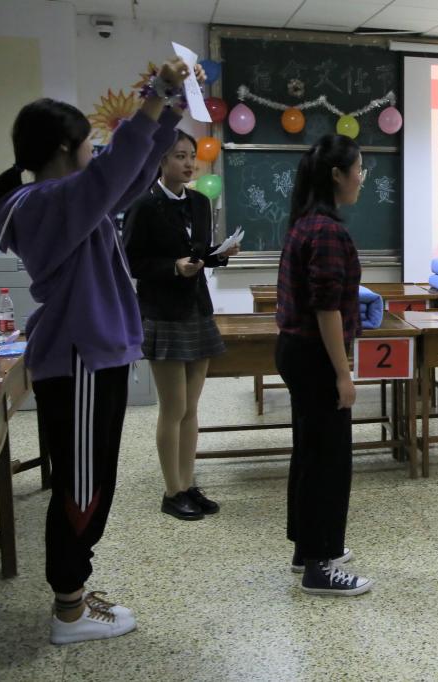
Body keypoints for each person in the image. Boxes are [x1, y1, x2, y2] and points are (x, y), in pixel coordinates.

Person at [0, 57, 204, 644]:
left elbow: (129, 175)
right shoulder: (45, 203)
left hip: (95, 354)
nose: (94, 152)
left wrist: (171, 109)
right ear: (64, 147)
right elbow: (113, 171)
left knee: (94, 479)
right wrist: (156, 94)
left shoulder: (68, 199)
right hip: (79, 356)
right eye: (87, 143)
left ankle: (74, 592)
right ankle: (69, 609)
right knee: (81, 486)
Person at [124, 131, 239, 520]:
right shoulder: (144, 204)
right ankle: (171, 491)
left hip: (197, 309)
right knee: (173, 407)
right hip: (164, 312)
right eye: (179, 156)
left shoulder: (200, 202)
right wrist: (172, 267)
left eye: (192, 156)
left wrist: (220, 255)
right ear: (161, 161)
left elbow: (199, 254)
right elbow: (132, 262)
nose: (189, 163)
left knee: (191, 407)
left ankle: (188, 485)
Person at [275, 134, 371, 596]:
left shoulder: (305, 223)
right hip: (315, 356)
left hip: (298, 351)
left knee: (310, 453)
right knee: (328, 460)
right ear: (337, 175)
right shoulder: (328, 231)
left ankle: (307, 550)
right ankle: (320, 565)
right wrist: (343, 373)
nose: (361, 178)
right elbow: (326, 308)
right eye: (358, 169)